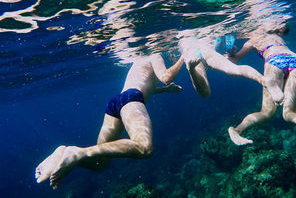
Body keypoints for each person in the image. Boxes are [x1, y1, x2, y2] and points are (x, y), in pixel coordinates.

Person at [35, 54, 184, 190]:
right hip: (131, 99)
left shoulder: (139, 59)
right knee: (144, 148)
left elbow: (144, 85)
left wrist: (164, 90)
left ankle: (63, 152)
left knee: (100, 163)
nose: (171, 54)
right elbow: (166, 76)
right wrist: (184, 56)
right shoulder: (156, 55)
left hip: (118, 101)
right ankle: (77, 153)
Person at [226, 23, 296, 158]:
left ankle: (237, 130)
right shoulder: (274, 33)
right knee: (290, 113)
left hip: (274, 61)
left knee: (266, 113)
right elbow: (286, 29)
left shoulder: (251, 41)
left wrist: (230, 54)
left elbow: (233, 61)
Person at [179, 36, 284, 103]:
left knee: (205, 93)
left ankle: (191, 69)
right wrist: (230, 52)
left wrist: (191, 68)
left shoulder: (184, 41)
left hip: (192, 54)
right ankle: (264, 80)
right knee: (235, 69)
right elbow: (222, 42)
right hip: (206, 50)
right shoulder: (209, 38)